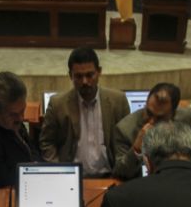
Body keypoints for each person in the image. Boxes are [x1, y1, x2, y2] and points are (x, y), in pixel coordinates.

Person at [39, 47, 129, 177]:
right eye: (78, 76)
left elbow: (126, 141)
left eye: (89, 75)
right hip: (71, 177)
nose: (85, 81)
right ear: (70, 75)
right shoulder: (58, 104)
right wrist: (59, 172)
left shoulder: (118, 101)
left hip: (110, 175)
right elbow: (47, 142)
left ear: (99, 72)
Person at [112, 82, 191, 180]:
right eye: (149, 112)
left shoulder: (186, 117)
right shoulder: (125, 129)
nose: (151, 121)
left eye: (160, 118)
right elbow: (120, 173)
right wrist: (136, 150)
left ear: (173, 113)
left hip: (182, 177)